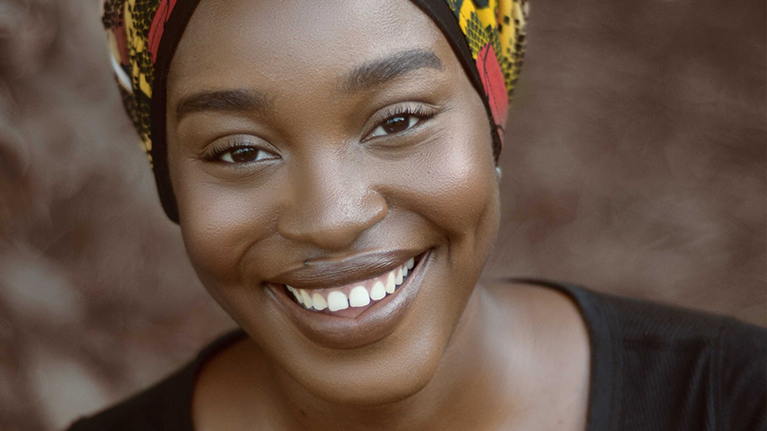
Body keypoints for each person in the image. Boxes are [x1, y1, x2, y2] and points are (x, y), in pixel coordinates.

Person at [68, 0, 765, 429]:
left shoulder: (732, 403)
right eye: (240, 151)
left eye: (397, 119)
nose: (332, 217)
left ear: (489, 116)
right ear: (169, 176)